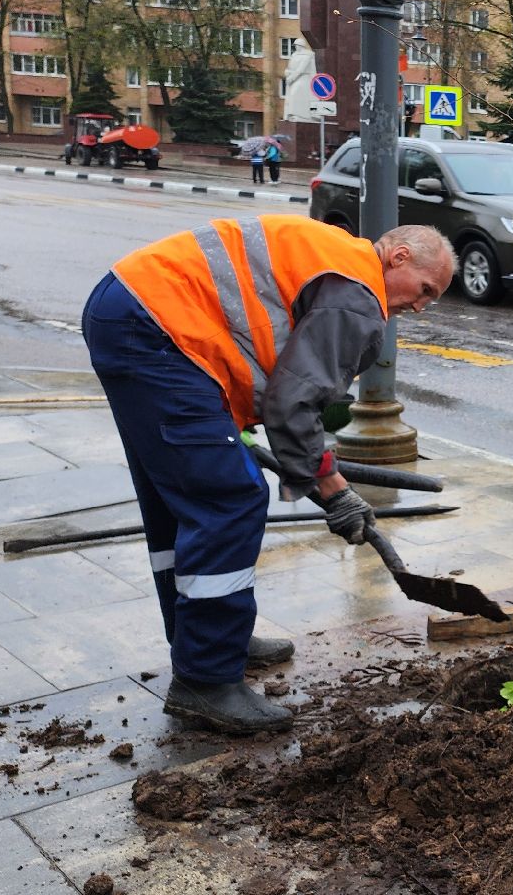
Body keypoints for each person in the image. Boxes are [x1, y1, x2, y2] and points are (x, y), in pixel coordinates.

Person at [83, 217, 455, 733]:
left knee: (182, 496)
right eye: (425, 290)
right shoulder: (356, 290)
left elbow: (272, 366)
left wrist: (248, 434)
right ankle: (206, 680)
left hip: (135, 313)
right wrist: (333, 488)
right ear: (398, 259)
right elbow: (293, 400)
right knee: (228, 497)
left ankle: (210, 642)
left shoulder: (335, 258)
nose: (420, 306)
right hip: (158, 328)